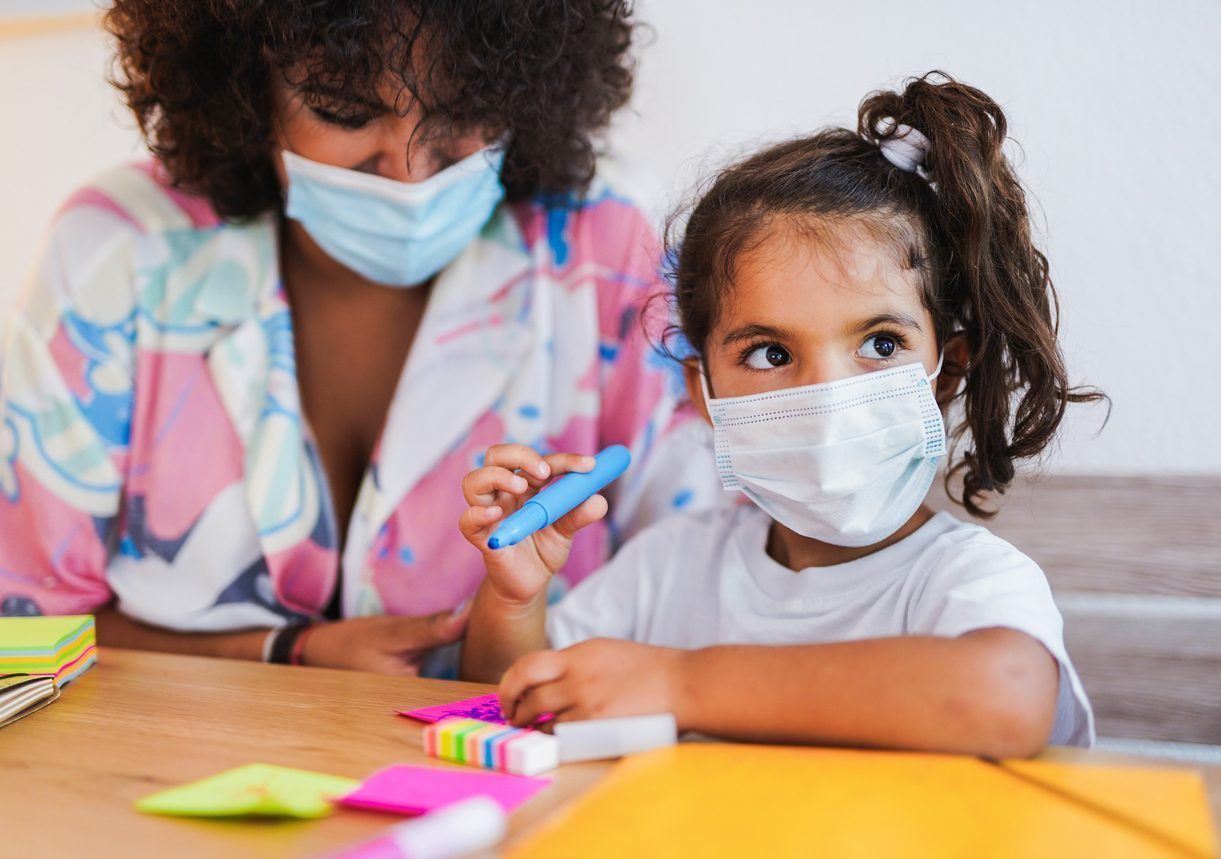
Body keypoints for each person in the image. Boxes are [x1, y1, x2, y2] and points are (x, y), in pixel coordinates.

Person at [0, 1, 718, 675]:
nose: (407, 169)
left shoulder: (603, 247)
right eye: (344, 111)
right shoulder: (121, 249)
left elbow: (714, 582)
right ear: (246, 92)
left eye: (463, 110)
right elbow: (24, 625)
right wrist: (287, 652)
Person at [459, 72, 1107, 756]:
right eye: (770, 353)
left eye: (879, 344)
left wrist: (686, 683)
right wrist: (514, 599)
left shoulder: (961, 579)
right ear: (701, 393)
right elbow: (511, 708)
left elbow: (1003, 698)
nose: (825, 396)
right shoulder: (670, 566)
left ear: (943, 372)